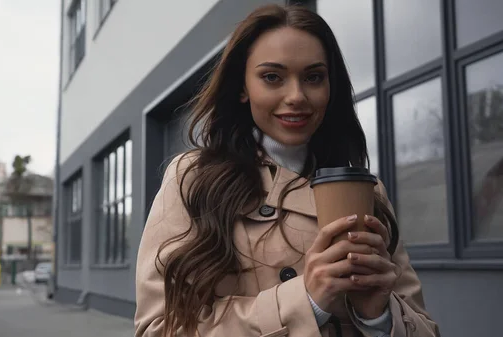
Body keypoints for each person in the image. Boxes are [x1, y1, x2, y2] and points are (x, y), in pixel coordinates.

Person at [134, 4, 440, 337]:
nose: (296, 96)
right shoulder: (193, 178)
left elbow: (424, 326)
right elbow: (159, 328)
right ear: (242, 87)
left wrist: (378, 316)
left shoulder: (368, 190)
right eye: (272, 77)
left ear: (330, 86)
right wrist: (304, 303)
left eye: (313, 77)